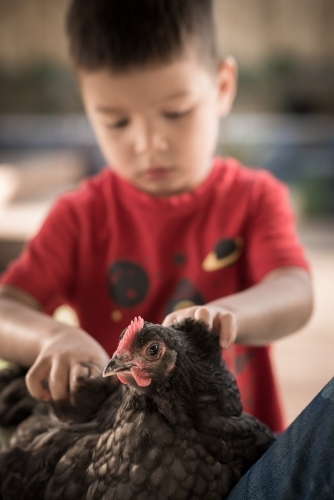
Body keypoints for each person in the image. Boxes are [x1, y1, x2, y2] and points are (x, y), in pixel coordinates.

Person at [0, 0, 312, 433]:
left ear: (222, 87)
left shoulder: (253, 199)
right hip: (120, 460)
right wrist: (53, 337)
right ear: (86, 108)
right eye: (117, 121)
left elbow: (295, 290)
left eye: (175, 113)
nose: (148, 143)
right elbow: (7, 307)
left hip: (240, 457)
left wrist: (230, 314)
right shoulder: (78, 217)